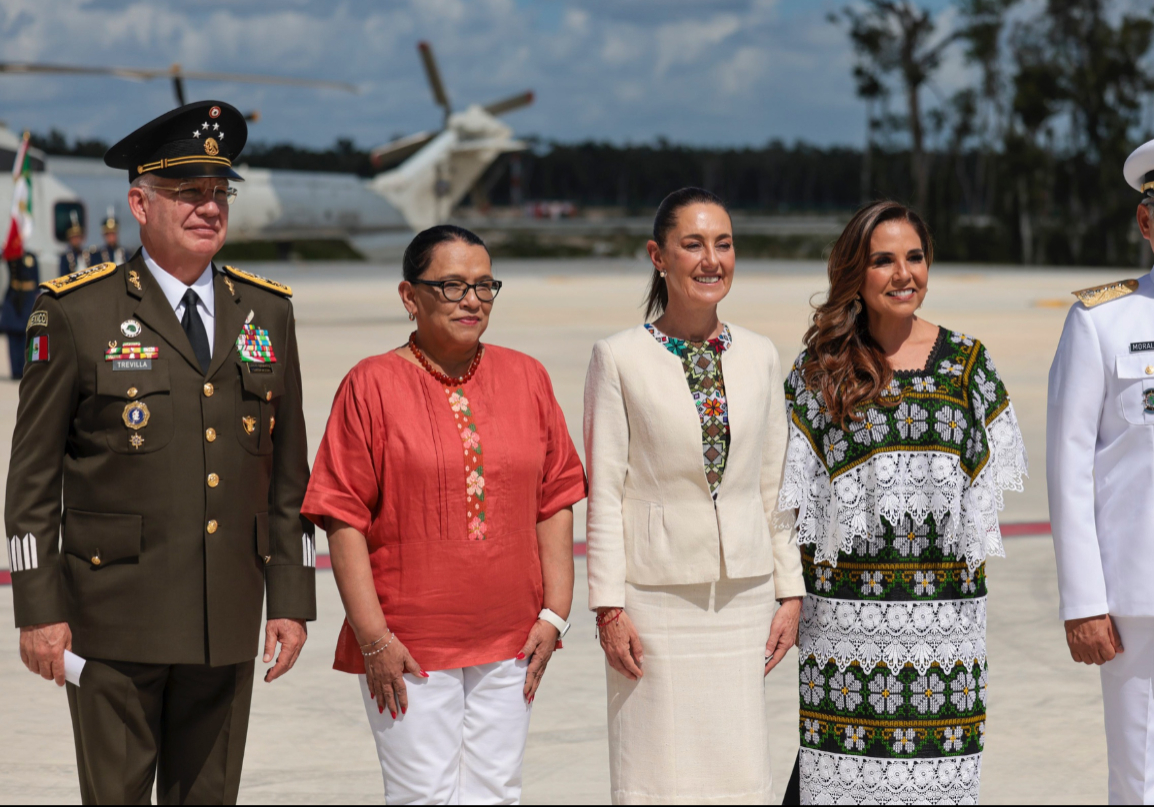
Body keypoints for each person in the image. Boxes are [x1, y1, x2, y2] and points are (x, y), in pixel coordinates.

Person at [4, 100, 315, 805]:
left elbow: (288, 477)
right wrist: (36, 608)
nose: (208, 207)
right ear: (139, 204)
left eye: (217, 193)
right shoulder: (77, 312)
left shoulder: (267, 312)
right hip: (114, 621)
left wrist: (290, 600)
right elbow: (30, 483)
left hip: (227, 620)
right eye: (187, 193)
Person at [301, 225, 586, 805]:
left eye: (484, 286)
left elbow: (554, 496)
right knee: (423, 796)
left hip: (513, 635)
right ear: (410, 296)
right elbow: (342, 516)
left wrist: (555, 613)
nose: (472, 300)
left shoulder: (526, 375)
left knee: (497, 791)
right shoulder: (371, 384)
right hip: (409, 643)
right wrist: (374, 638)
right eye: (452, 286)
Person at [778, 200, 1027, 803]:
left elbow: (983, 508)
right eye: (883, 261)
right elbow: (792, 505)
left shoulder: (969, 365)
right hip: (844, 634)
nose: (903, 274)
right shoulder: (820, 369)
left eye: (914, 257)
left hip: (946, 632)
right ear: (854, 275)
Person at [584, 187, 805, 804]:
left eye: (724, 244)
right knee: (655, 771)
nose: (712, 260)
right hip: (652, 602)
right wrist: (608, 606)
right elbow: (603, 491)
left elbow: (773, 483)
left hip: (744, 598)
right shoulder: (619, 357)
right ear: (659, 256)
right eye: (693, 245)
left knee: (739, 770)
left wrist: (790, 592)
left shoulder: (760, 355)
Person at [1048, 137, 1154, 804]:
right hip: (1140, 597)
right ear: (1147, 222)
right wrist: (1085, 603)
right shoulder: (1103, 322)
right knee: (1142, 777)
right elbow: (1069, 468)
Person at [0, 250, 39, 378]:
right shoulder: (11, 256)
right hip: (13, 300)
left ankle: (25, 369)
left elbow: (36, 280)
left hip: (27, 300)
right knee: (13, 339)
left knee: (26, 337)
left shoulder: (31, 256)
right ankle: (15, 370)